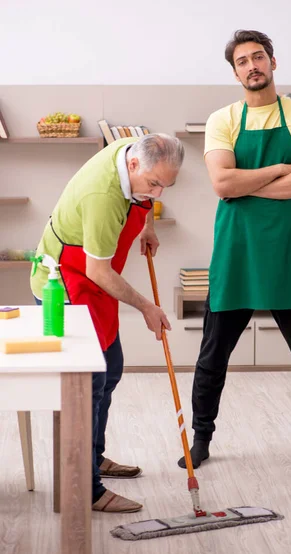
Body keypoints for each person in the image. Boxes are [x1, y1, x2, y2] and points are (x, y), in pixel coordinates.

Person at [178, 29, 291, 471]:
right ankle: (202, 438)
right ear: (235, 72)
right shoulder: (222, 119)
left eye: (259, 57)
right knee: (213, 355)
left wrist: (246, 184)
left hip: (289, 251)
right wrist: (279, 169)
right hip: (237, 252)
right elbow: (220, 184)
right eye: (243, 61)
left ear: (273, 62)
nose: (252, 66)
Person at [31, 133, 184, 513]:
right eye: (153, 184)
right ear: (133, 165)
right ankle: (86, 488)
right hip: (67, 284)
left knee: (110, 369)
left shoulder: (138, 150)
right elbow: (96, 270)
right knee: (90, 383)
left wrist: (147, 224)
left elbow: (147, 193)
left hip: (96, 280)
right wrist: (147, 306)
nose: (158, 192)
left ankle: (93, 457)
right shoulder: (102, 197)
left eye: (167, 185)